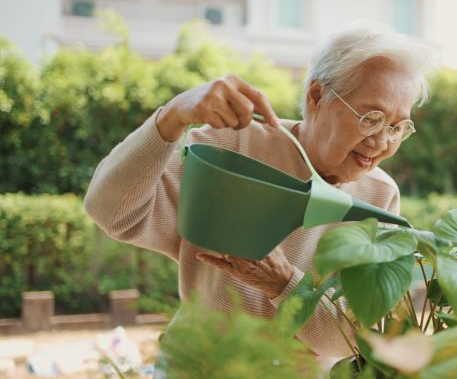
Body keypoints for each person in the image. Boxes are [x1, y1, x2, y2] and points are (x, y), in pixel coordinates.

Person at [84, 23, 432, 359]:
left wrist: (283, 283)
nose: (382, 142)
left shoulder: (380, 196)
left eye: (398, 127)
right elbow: (111, 211)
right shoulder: (230, 147)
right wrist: (172, 117)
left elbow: (350, 339)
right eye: (371, 117)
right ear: (316, 95)